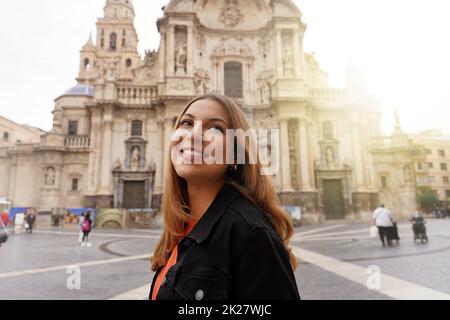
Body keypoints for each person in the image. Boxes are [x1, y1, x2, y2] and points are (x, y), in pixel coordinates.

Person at [150, 93, 300, 300]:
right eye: (186, 123)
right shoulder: (180, 228)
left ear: (236, 154)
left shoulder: (251, 235)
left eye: (215, 128)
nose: (193, 135)